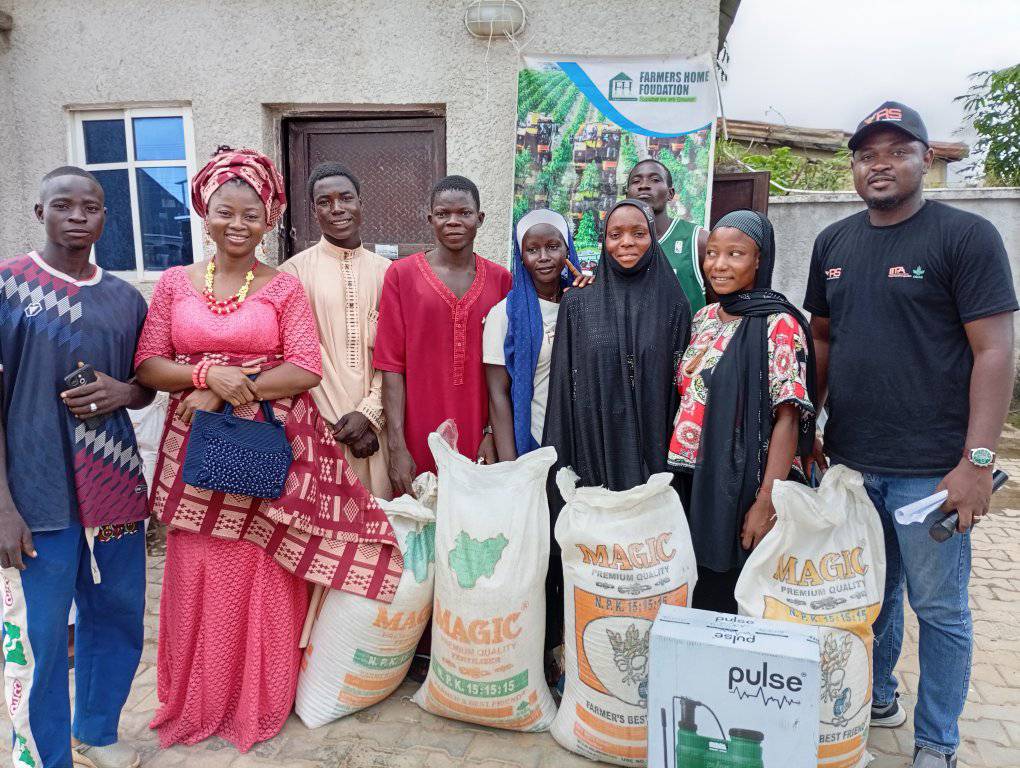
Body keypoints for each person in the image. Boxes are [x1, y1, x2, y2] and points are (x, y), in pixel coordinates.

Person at [135, 147, 400, 752]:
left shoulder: (282, 287)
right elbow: (149, 363)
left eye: (251, 215)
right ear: (205, 213)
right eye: (225, 212)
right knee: (197, 571)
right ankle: (199, 698)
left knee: (261, 570)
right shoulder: (174, 284)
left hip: (263, 448)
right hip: (196, 452)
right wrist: (205, 376)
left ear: (269, 220)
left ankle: (257, 698)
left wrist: (233, 386)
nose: (237, 224)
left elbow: (304, 367)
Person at [804, 102, 1016, 768]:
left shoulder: (965, 237)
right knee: (872, 595)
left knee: (939, 607)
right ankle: (879, 698)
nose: (881, 165)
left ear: (927, 159)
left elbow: (995, 351)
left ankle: (937, 741)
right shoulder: (833, 243)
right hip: (852, 464)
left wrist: (977, 462)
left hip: (933, 471)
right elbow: (822, 340)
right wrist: (811, 426)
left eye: (898, 151)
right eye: (868, 154)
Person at [0, 167, 152, 768]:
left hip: (113, 486)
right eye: (63, 205)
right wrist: (3, 507)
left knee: (116, 615)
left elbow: (145, 383)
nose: (78, 216)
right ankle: (43, 757)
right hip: (35, 495)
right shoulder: (9, 286)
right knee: (39, 636)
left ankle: (98, 733)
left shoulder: (125, 298)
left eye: (90, 207)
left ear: (104, 216)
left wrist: (125, 391)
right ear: (39, 212)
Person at [543, 199, 691, 649]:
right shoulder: (579, 304)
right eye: (615, 234)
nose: (626, 243)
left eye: (638, 233)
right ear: (603, 241)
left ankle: (653, 647)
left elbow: (681, 392)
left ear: (652, 238)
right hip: (595, 456)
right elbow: (564, 388)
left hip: (653, 459)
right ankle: (589, 650)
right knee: (598, 569)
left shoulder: (674, 305)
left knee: (648, 568)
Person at [667, 209, 816, 614]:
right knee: (694, 591)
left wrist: (766, 500)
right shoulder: (703, 318)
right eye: (712, 253)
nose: (718, 264)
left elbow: (788, 418)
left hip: (741, 485)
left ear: (759, 260)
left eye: (735, 254)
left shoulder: (778, 324)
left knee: (731, 595)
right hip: (692, 478)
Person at [375, 175, 511, 494]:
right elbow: (391, 368)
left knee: (477, 518)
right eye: (443, 213)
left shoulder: (501, 280)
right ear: (430, 219)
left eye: (464, 213)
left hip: (480, 436)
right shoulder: (401, 275)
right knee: (423, 518)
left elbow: (507, 372)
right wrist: (396, 446)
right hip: (419, 436)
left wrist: (493, 433)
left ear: (480, 218)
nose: (453, 221)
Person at [278, 162, 391, 498]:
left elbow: (396, 355)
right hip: (319, 425)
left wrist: (369, 413)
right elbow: (301, 355)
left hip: (377, 426)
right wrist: (347, 422)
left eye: (346, 198)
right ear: (314, 211)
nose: (337, 208)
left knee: (381, 515)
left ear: (360, 203)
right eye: (324, 202)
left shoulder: (388, 273)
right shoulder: (292, 274)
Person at [483, 209, 585, 461]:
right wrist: (511, 467)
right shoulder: (504, 314)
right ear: (521, 256)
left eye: (552, 246)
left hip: (582, 442)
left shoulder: (584, 305)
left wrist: (594, 297)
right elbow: (498, 394)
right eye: (532, 249)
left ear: (567, 250)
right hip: (532, 442)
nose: (544, 257)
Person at [626, 158, 709, 311]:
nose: (644, 185)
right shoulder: (619, 245)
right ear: (627, 194)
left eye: (655, 180)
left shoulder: (697, 240)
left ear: (670, 193)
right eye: (636, 181)